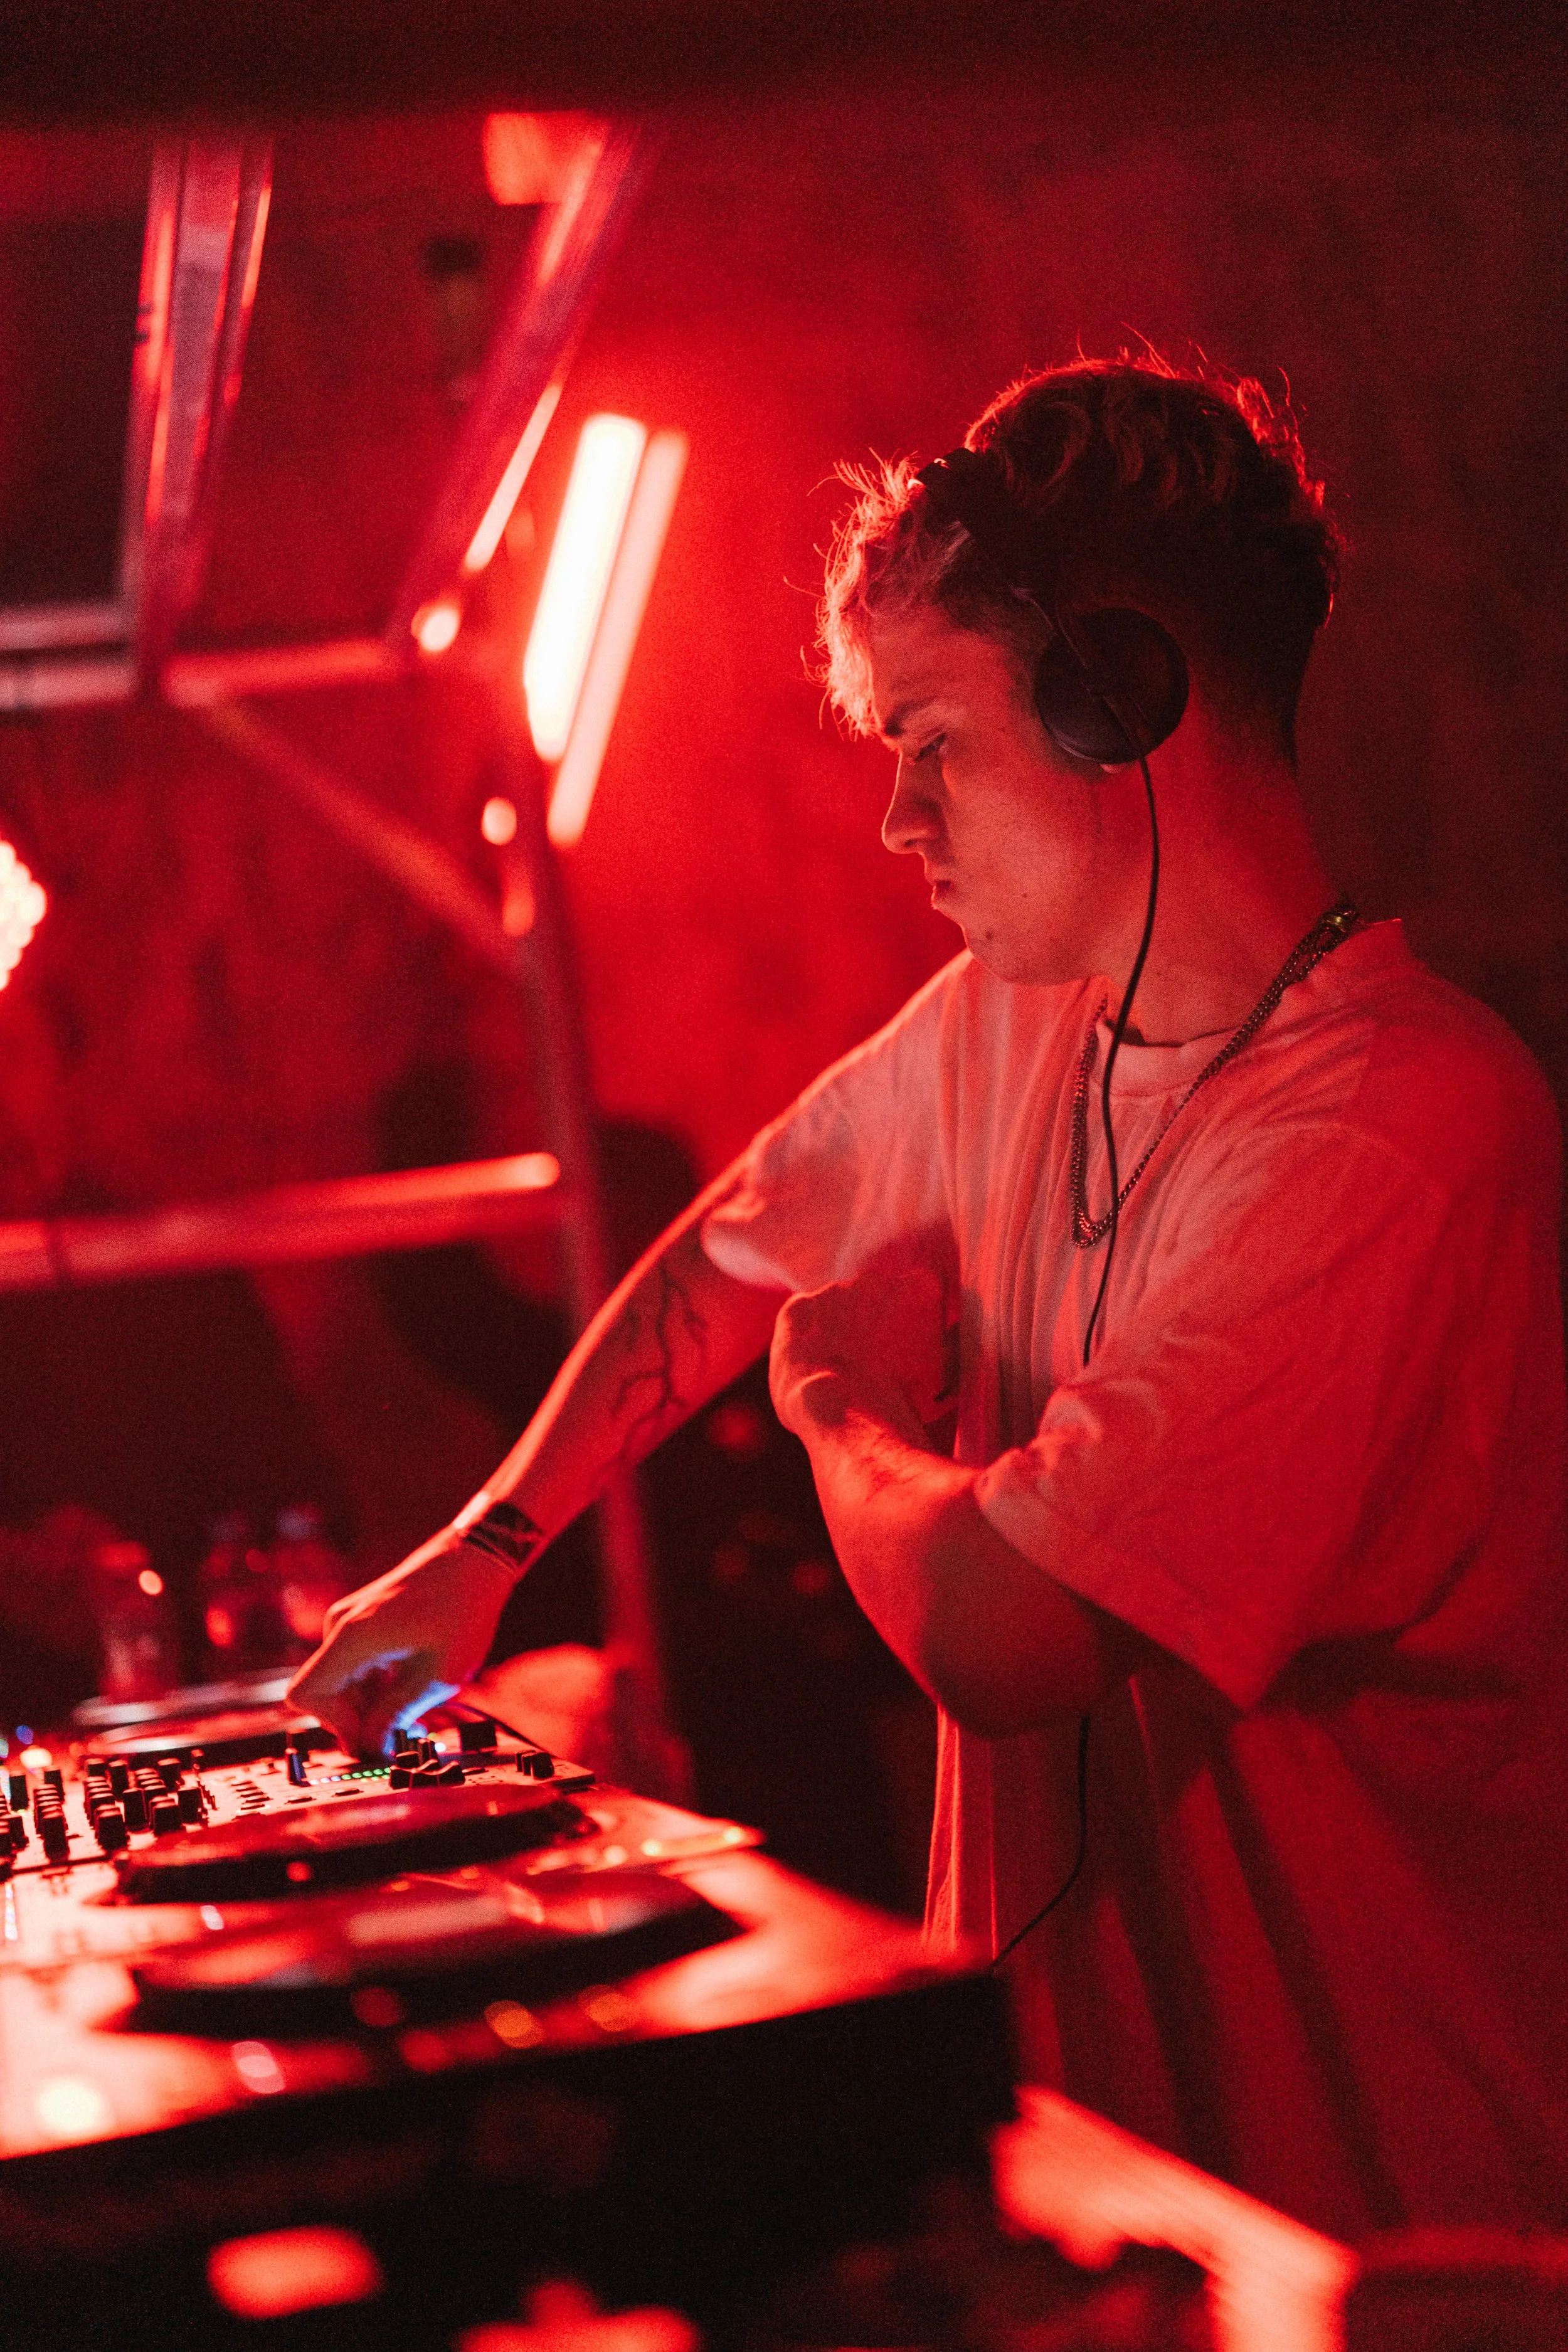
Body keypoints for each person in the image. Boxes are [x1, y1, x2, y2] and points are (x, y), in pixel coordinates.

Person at [290, 356, 1568, 2242]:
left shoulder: (1394, 1129)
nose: (898, 817)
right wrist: (479, 1551)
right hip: (1115, 2183)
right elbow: (729, 1251)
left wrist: (835, 1406)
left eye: (933, 741)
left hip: (1392, 2226)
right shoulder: (1007, 1019)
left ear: (1117, 704)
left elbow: (1002, 1631)